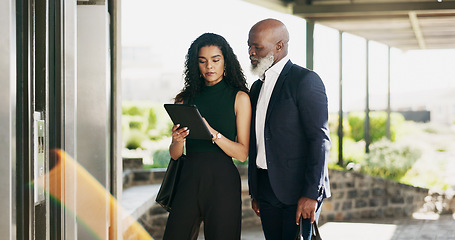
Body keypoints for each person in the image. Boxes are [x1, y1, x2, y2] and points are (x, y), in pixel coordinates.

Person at [247, 18, 331, 240]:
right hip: (265, 191)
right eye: (249, 45)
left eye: (258, 47)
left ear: (279, 46)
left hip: (299, 193)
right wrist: (256, 192)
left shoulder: (305, 80)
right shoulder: (256, 88)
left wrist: (311, 194)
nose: (251, 52)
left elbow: (319, 140)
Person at [163, 33, 251, 240]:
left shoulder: (239, 98)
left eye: (215, 60)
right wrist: (176, 141)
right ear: (196, 65)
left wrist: (211, 132)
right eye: (202, 61)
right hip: (188, 179)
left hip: (222, 182)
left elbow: (242, 153)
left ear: (226, 62)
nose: (209, 66)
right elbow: (176, 155)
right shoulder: (183, 99)